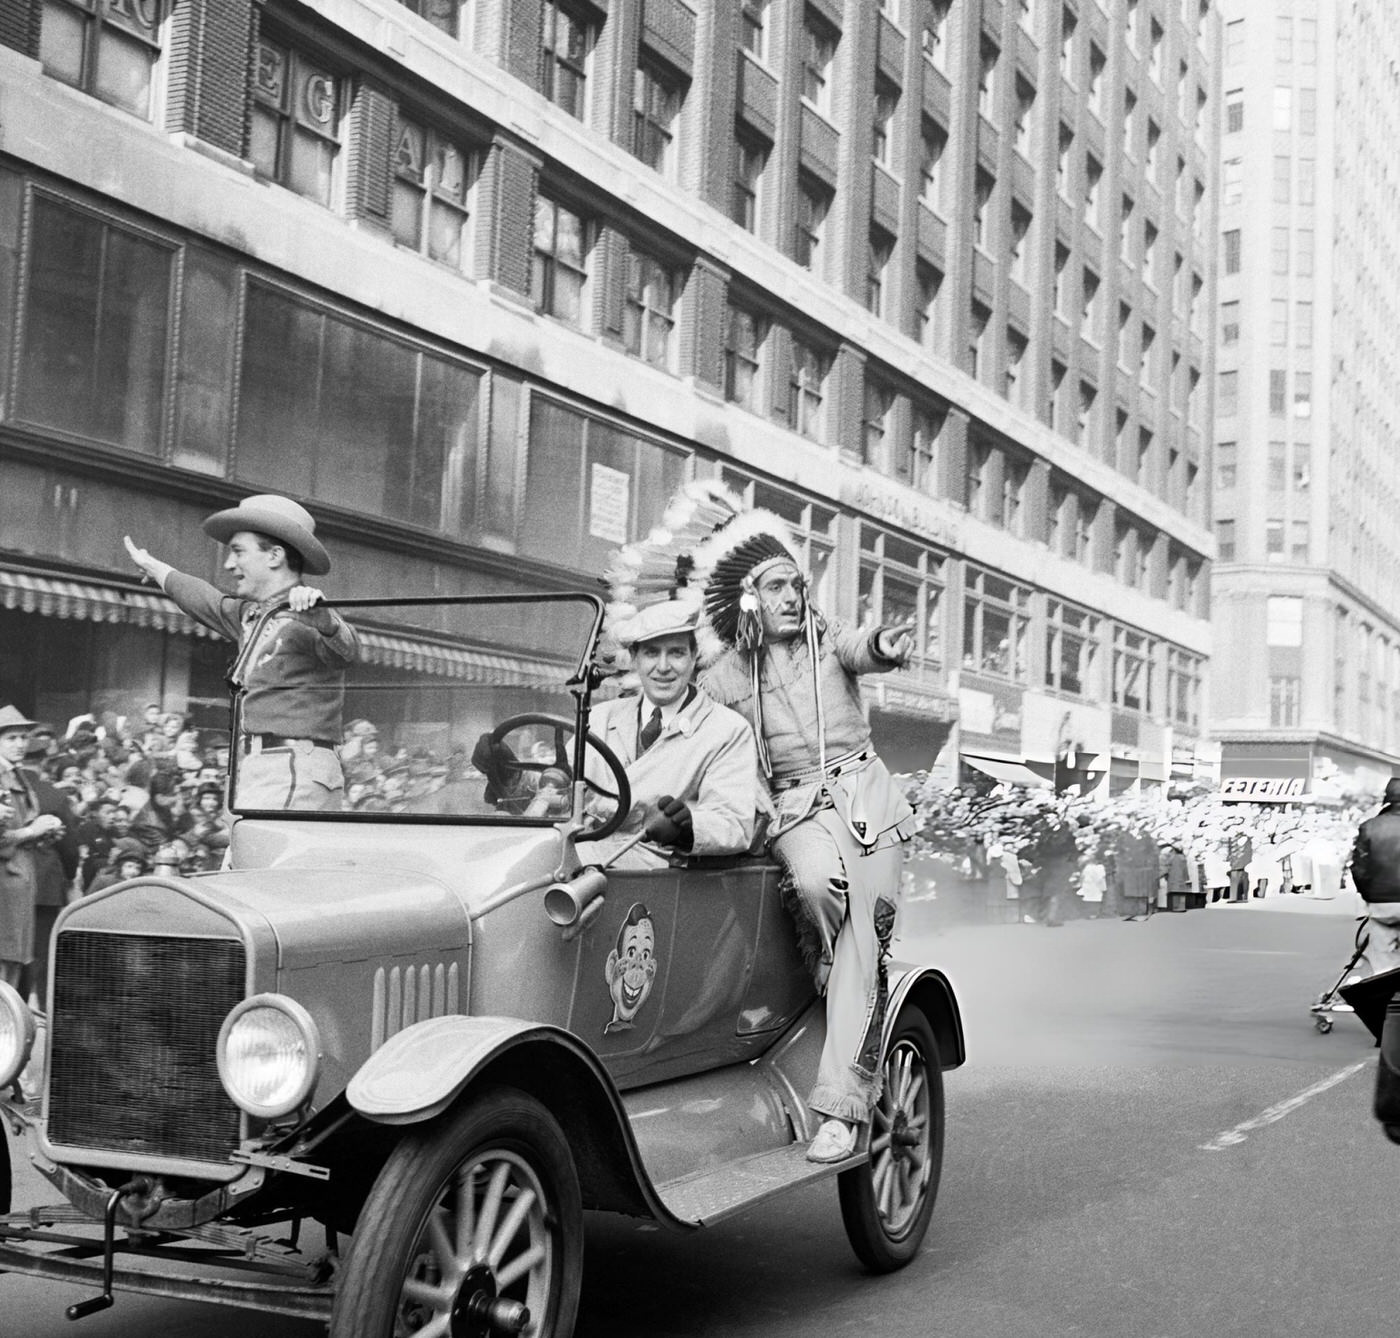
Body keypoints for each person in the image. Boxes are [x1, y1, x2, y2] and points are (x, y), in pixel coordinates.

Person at [694, 504, 916, 1163]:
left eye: (798, 585)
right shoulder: (725, 675)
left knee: (865, 946)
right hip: (793, 809)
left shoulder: (828, 637)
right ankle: (830, 970)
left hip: (868, 797)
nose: (793, 597)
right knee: (818, 886)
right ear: (751, 599)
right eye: (777, 587)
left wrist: (886, 646)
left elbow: (864, 647)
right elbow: (684, 715)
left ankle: (840, 1111)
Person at [123, 494, 359, 810]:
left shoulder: (310, 611)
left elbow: (347, 651)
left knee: (250, 844)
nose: (228, 564)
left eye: (238, 552)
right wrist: (154, 568)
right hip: (266, 765)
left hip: (293, 766)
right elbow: (205, 599)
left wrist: (326, 621)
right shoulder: (252, 614)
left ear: (274, 556)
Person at [584, 600, 761, 869]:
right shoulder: (599, 719)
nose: (663, 667)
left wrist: (686, 828)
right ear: (634, 658)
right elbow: (565, 790)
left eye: (676, 653)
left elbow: (733, 822)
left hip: (658, 870)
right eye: (651, 653)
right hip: (584, 853)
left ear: (694, 656)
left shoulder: (728, 731)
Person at [0, 707, 64, 991]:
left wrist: (42, 834)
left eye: (23, 737)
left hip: (19, 882)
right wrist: (31, 831)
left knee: (13, 964)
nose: (20, 744)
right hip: (5, 885)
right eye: (11, 738)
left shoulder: (16, 774)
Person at [1348, 778, 1400, 975]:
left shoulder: (1369, 827)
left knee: (1384, 964)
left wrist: (1369, 894)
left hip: (1381, 903)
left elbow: (1358, 868)